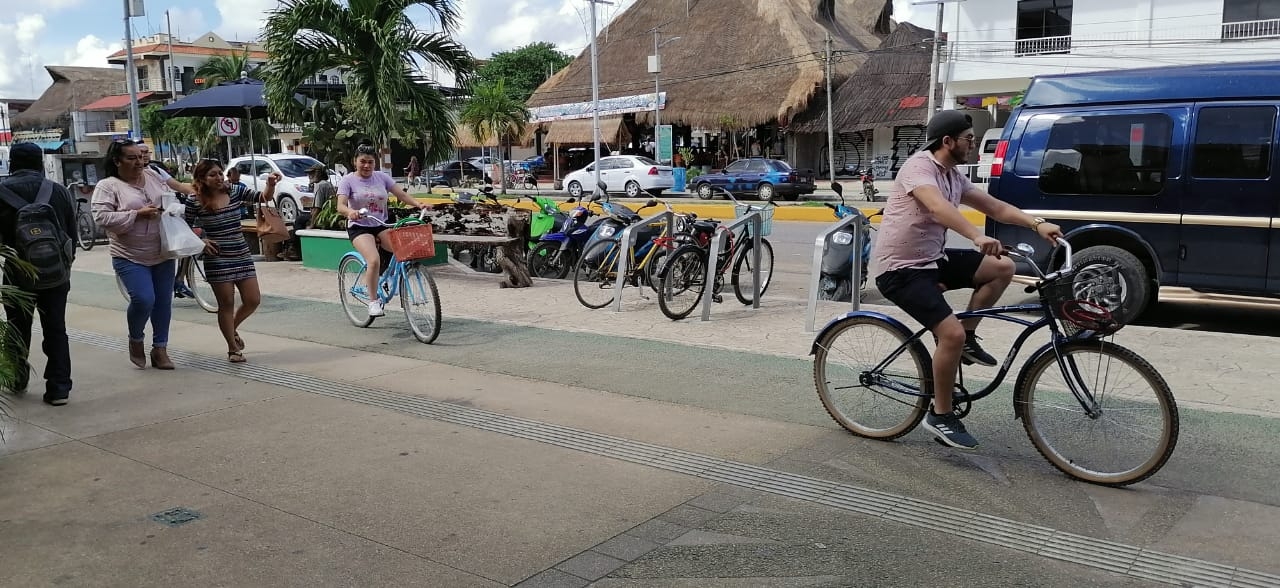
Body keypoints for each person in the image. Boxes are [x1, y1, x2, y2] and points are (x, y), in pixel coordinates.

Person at [871, 110, 1063, 450]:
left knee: (1002, 267)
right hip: (900, 270)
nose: (974, 145)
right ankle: (940, 414)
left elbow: (995, 207)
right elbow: (937, 208)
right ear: (948, 142)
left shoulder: (954, 175)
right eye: (969, 139)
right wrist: (976, 236)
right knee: (950, 333)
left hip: (934, 261)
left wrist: (1037, 224)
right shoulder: (920, 167)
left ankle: (968, 342)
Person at [0, 143, 76, 406]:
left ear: (11, 164)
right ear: (41, 163)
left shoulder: (1, 191)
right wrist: (64, 266)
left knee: (16, 327)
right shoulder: (59, 191)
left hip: (16, 272)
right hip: (56, 274)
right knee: (56, 328)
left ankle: (17, 377)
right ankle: (59, 388)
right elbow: (71, 234)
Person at [92, 140, 179, 370]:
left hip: (163, 250)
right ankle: (136, 339)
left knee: (163, 302)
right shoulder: (107, 186)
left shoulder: (152, 175)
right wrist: (137, 214)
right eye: (132, 158)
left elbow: (171, 197)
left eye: (140, 157)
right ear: (117, 161)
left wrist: (170, 208)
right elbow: (102, 218)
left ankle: (160, 349)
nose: (139, 162)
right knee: (143, 299)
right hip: (129, 254)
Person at [187, 159, 279, 363]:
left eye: (220, 173)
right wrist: (201, 240)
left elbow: (262, 197)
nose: (219, 178)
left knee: (253, 299)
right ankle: (232, 348)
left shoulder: (235, 191)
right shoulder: (194, 200)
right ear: (202, 178)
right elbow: (183, 226)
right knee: (226, 303)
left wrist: (271, 184)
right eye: (213, 175)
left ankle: (232, 328)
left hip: (241, 253)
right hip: (217, 257)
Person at [336, 144, 430, 319]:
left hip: (381, 224)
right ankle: (373, 302)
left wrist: (419, 204)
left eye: (370, 162)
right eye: (362, 161)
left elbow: (401, 195)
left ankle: (384, 280)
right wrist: (351, 212)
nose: (366, 166)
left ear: (375, 163)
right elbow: (340, 205)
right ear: (355, 162)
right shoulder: (348, 180)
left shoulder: (381, 177)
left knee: (402, 253)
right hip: (359, 226)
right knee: (373, 260)